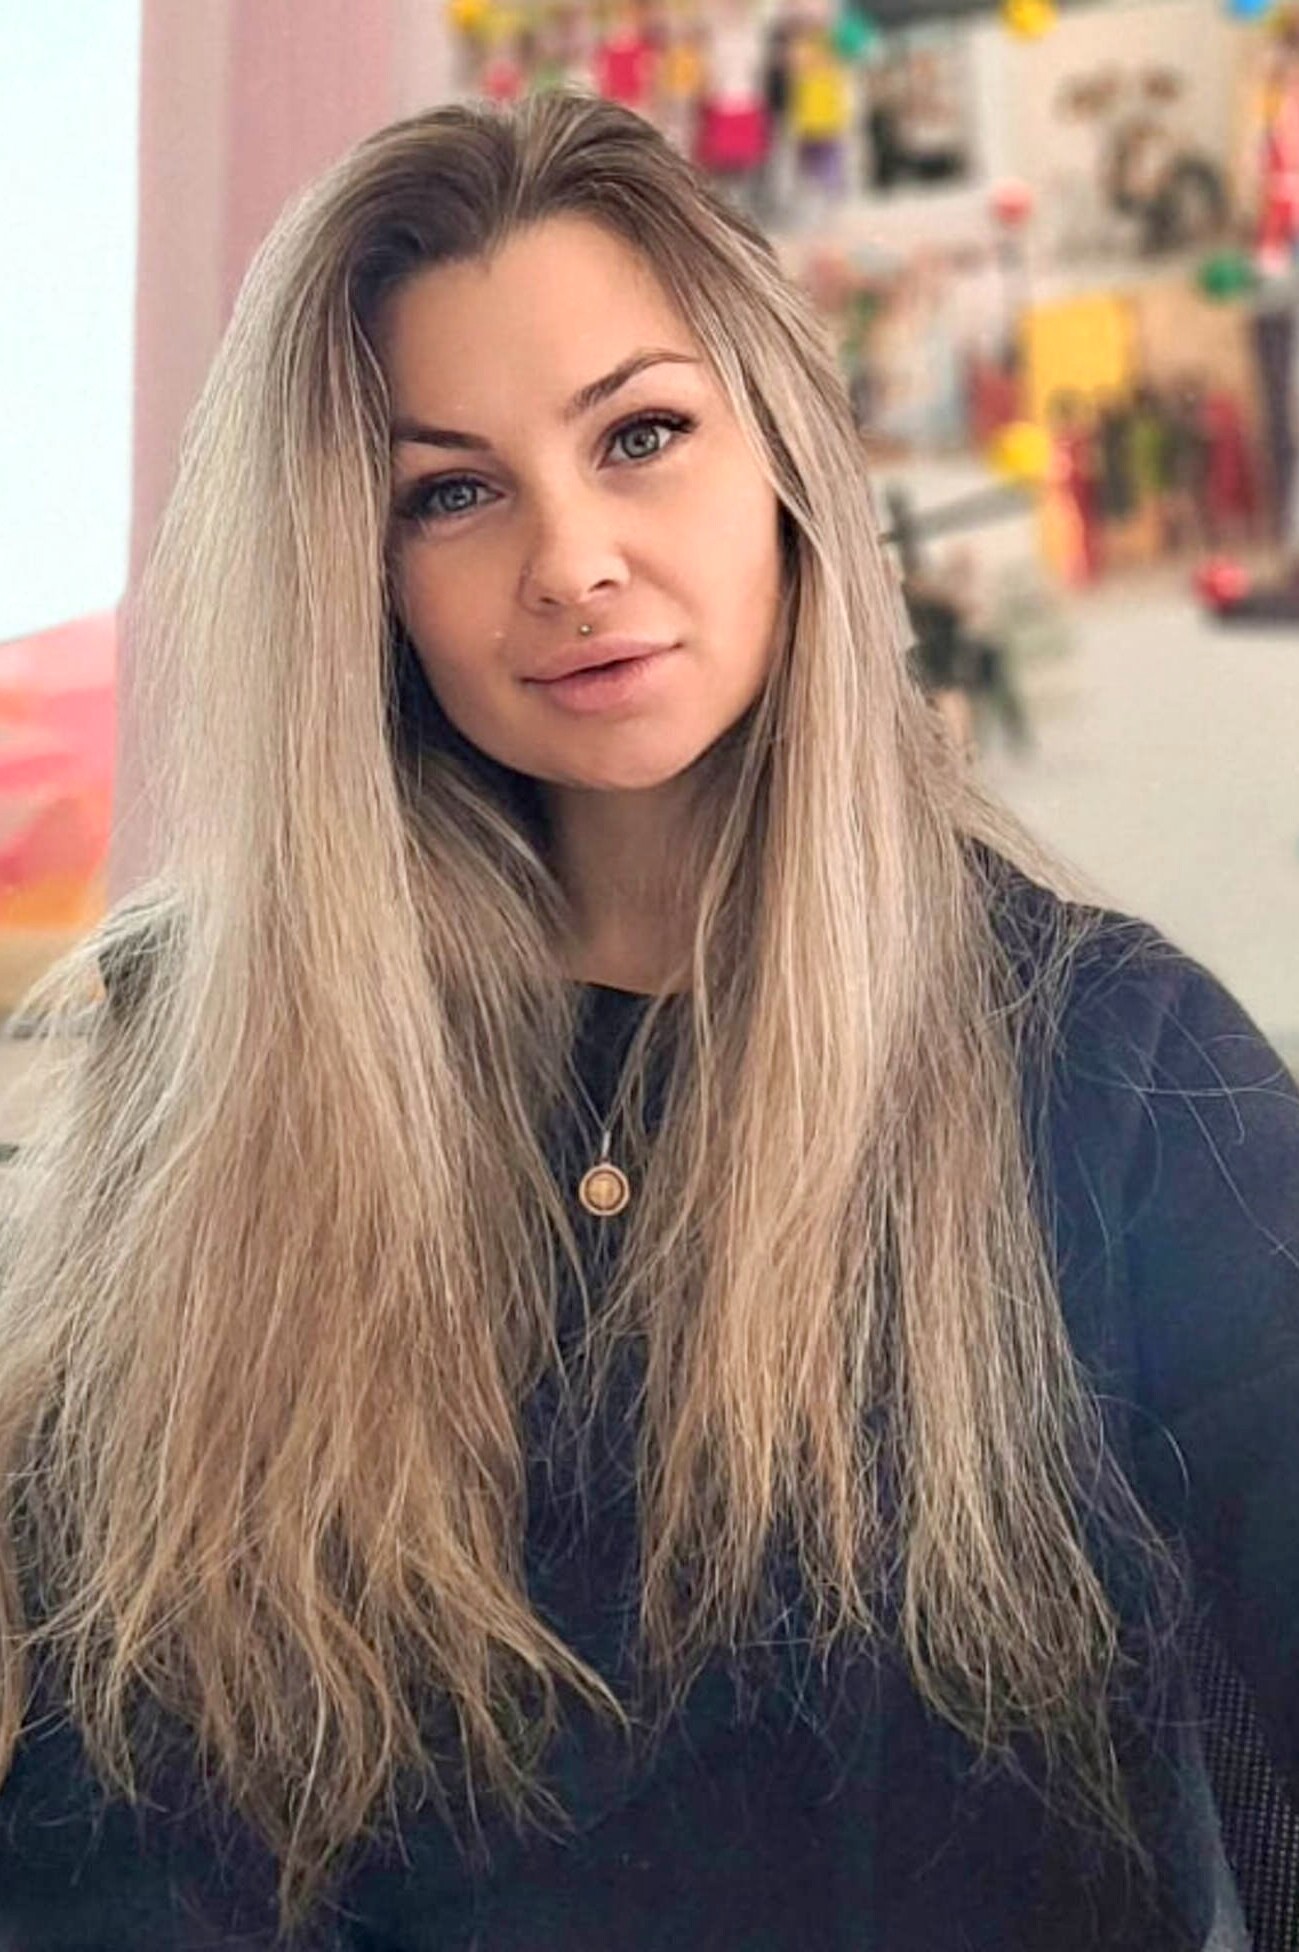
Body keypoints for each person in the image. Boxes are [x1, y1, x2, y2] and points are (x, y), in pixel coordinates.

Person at [0, 88, 1294, 1952]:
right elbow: (111, 1833)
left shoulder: (1121, 1069)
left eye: (642, 435)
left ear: (785, 462)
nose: (572, 560)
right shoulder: (208, 1064)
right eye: (452, 491)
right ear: (360, 581)